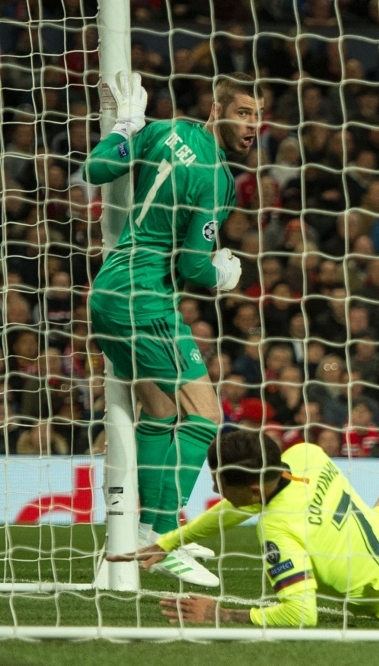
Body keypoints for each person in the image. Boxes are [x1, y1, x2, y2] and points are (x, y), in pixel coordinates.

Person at [83, 71, 261, 586]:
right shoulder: (215, 176)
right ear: (217, 108)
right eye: (244, 112)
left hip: (112, 291)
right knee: (204, 416)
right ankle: (157, 535)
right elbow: (192, 267)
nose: (253, 125)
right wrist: (226, 273)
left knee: (160, 414)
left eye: (258, 116)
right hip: (146, 302)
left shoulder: (164, 130)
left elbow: (96, 168)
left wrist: (126, 126)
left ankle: (143, 531)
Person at [108, 431, 379, 626]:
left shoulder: (278, 532)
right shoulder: (303, 456)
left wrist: (218, 614)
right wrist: (170, 541)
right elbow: (238, 507)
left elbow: (299, 613)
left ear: (251, 485)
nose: (213, 487)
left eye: (219, 480)